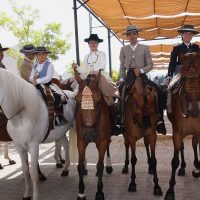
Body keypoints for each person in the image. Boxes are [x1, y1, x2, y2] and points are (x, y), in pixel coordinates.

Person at [118, 25, 166, 135]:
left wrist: (142, 71)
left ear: (137, 35)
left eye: (134, 34)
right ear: (127, 36)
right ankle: (120, 120)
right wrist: (122, 78)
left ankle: (159, 120)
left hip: (142, 76)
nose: (132, 36)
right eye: (129, 34)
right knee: (121, 90)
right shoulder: (123, 49)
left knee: (158, 90)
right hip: (130, 76)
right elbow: (122, 65)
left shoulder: (144, 48)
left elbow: (150, 65)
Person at [72, 33, 119, 106]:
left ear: (98, 44)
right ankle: (75, 103)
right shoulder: (86, 56)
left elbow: (102, 65)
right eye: (91, 42)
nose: (93, 44)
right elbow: (83, 68)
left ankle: (113, 99)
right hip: (87, 76)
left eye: (95, 42)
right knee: (77, 90)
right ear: (88, 44)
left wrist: (93, 71)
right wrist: (77, 67)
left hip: (99, 74)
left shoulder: (102, 53)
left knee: (105, 84)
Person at [29, 46, 66, 125]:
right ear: (37, 56)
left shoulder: (50, 65)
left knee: (56, 96)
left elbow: (48, 78)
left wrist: (37, 80)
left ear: (46, 55)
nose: (41, 56)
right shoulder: (35, 65)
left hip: (47, 84)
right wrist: (33, 78)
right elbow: (30, 77)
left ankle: (60, 117)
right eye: (39, 54)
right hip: (36, 84)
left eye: (43, 54)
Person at [166, 24, 199, 112]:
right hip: (181, 72)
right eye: (186, 33)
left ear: (192, 35)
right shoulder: (177, 48)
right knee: (169, 87)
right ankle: (169, 108)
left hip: (195, 73)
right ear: (182, 35)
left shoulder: (196, 47)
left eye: (190, 33)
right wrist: (169, 75)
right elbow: (172, 62)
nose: (188, 35)